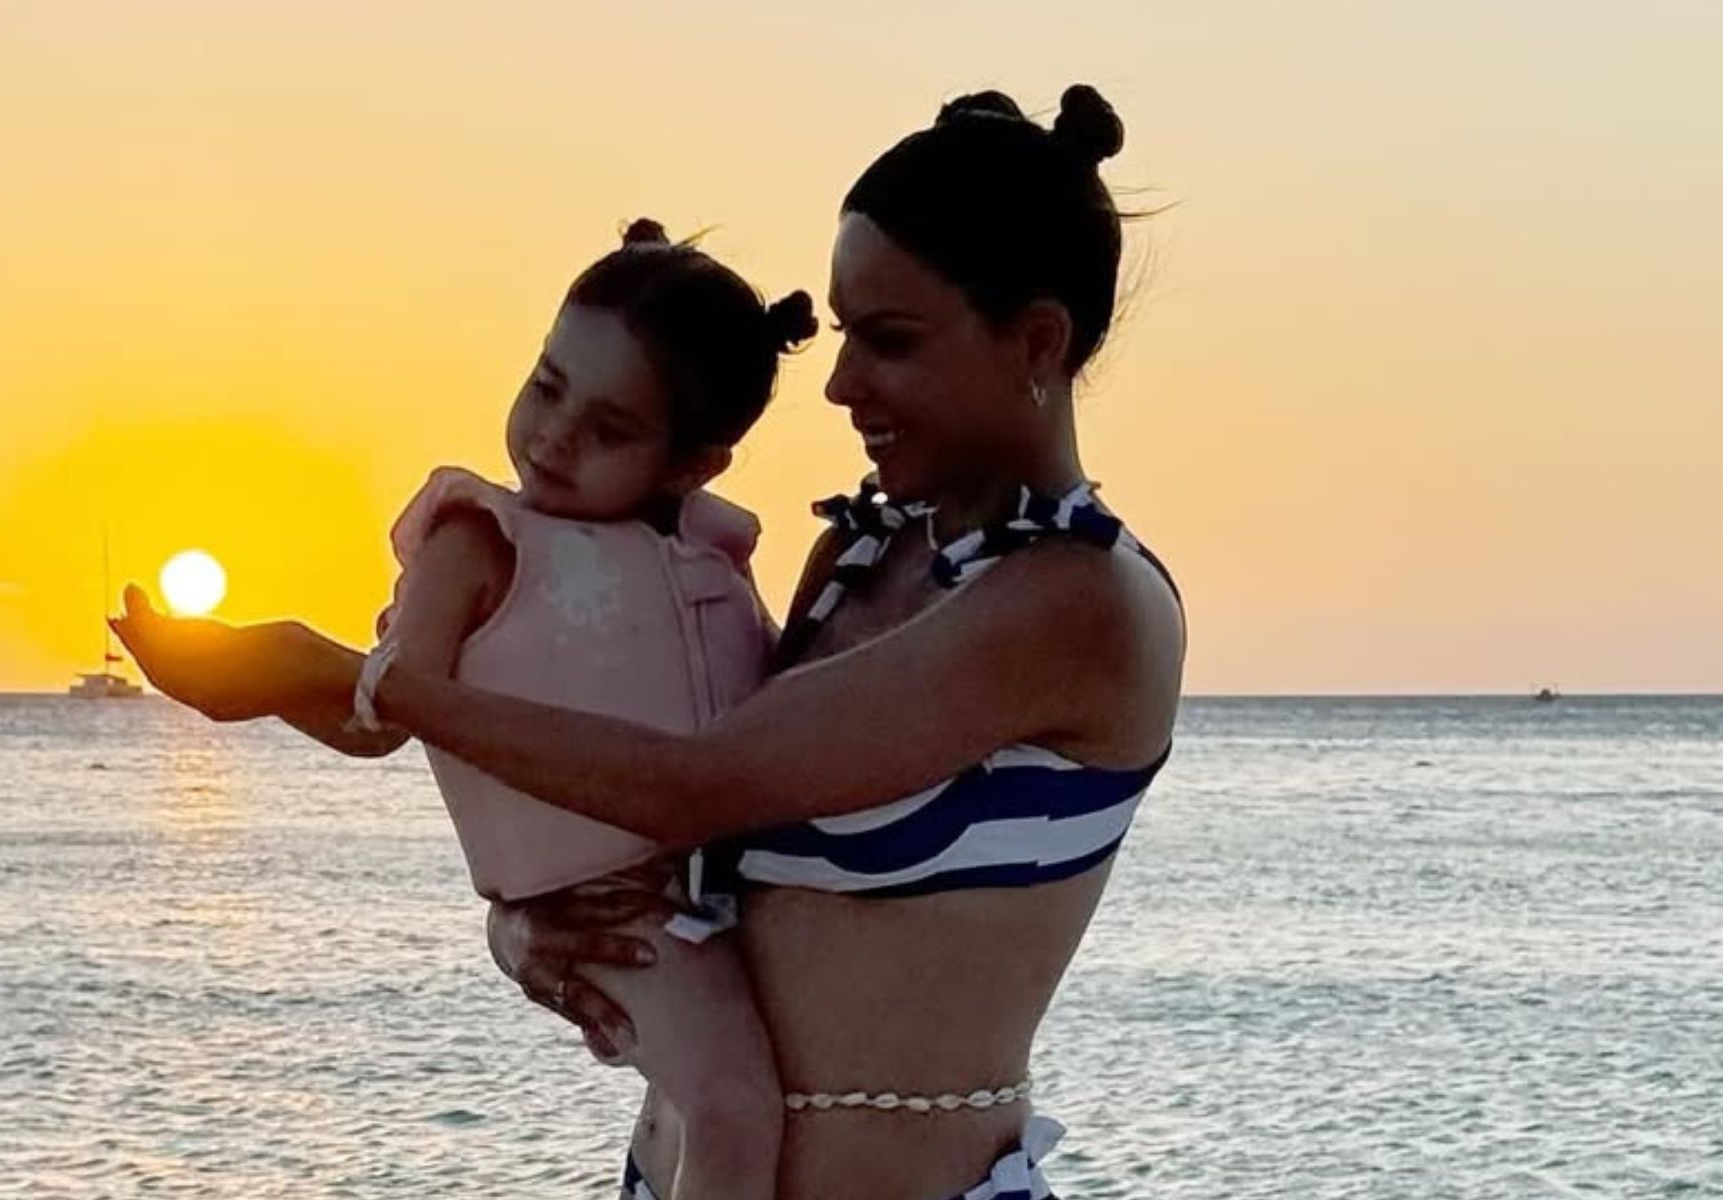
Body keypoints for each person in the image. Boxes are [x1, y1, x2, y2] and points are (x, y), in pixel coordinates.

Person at [117, 84, 1184, 1200]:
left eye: (890, 341)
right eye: (842, 334)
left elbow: (696, 785)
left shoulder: (1081, 606)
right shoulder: (860, 555)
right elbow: (675, 834)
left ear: (1038, 339)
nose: (839, 384)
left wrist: (330, 671)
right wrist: (526, 930)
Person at [245, 219, 816, 1200]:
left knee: (725, 1111)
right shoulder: (476, 542)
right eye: (547, 388)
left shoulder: (712, 560)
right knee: (731, 1106)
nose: (554, 437)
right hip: (613, 910)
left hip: (728, 901)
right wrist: (258, 679)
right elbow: (378, 719)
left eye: (609, 428)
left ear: (692, 465)